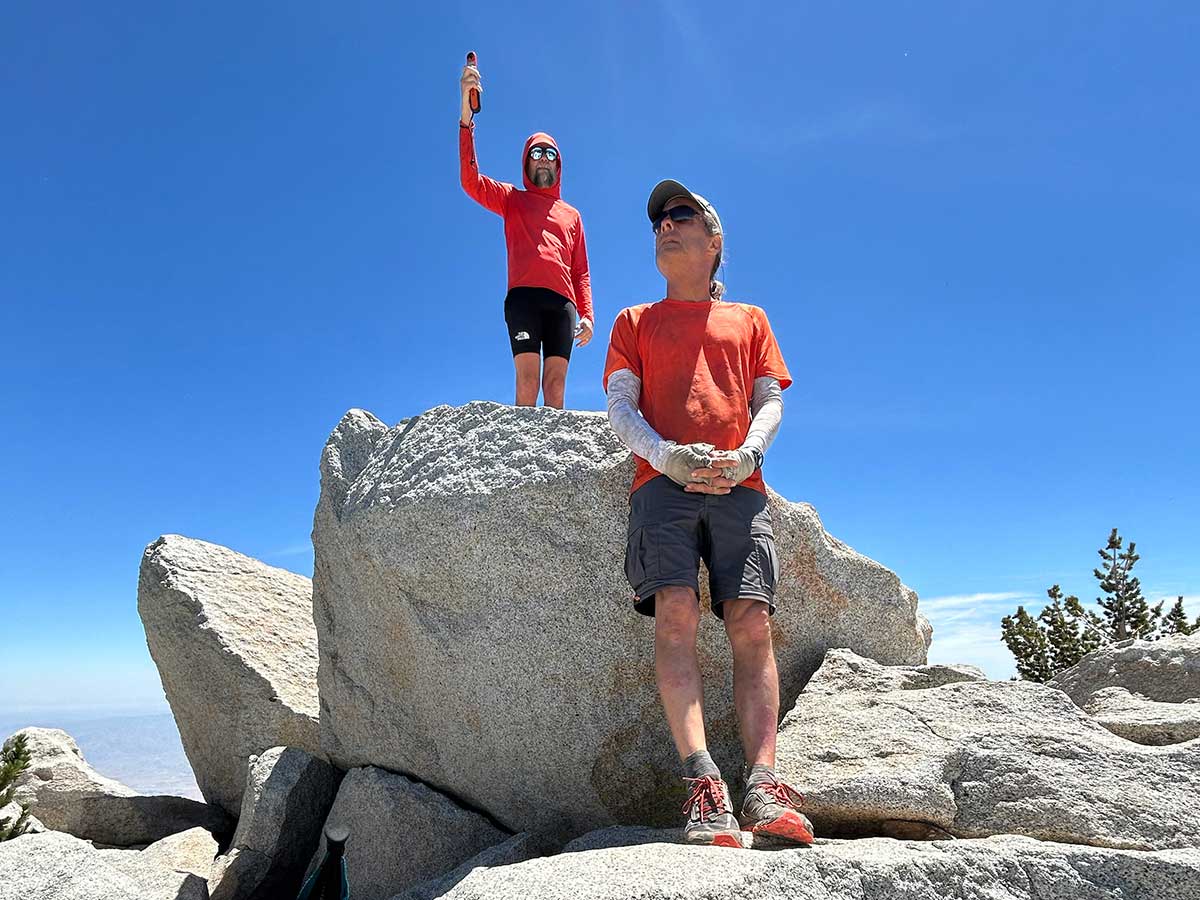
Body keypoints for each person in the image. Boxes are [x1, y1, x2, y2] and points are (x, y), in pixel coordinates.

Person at [602, 180, 813, 849]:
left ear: (713, 240)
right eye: (659, 220)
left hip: (740, 488)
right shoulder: (633, 321)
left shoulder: (750, 320)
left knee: (752, 622)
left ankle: (762, 783)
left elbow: (770, 399)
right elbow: (620, 408)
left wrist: (750, 453)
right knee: (676, 613)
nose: (665, 225)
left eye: (681, 215)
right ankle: (702, 784)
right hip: (660, 485)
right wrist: (665, 457)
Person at [458, 60, 593, 409]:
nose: (544, 159)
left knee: (557, 388)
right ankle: (519, 463)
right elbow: (470, 182)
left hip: (563, 304)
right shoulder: (511, 200)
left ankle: (554, 462)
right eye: (538, 153)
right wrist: (466, 117)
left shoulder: (572, 215)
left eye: (551, 154)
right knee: (528, 382)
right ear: (527, 162)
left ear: (559, 164)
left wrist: (589, 314)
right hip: (523, 299)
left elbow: (581, 271)